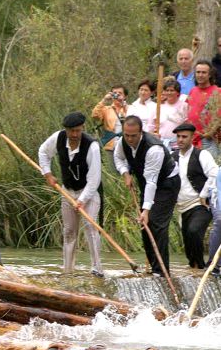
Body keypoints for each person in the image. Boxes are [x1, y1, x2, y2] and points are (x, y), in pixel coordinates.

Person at [38, 112, 103, 277]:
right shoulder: (58, 138)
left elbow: (94, 180)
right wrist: (47, 173)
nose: (74, 135)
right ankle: (68, 270)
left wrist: (81, 200)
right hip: (67, 191)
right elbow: (43, 152)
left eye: (78, 131)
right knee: (69, 231)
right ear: (65, 130)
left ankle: (97, 268)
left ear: (83, 128)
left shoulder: (92, 146)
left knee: (90, 227)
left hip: (89, 192)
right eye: (71, 131)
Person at [114, 116, 180, 276]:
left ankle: (162, 272)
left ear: (140, 132)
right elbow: (118, 158)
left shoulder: (153, 148)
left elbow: (152, 182)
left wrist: (146, 210)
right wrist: (125, 173)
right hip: (147, 183)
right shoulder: (122, 142)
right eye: (126, 135)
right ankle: (153, 267)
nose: (129, 139)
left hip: (166, 183)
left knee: (156, 223)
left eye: (133, 135)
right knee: (145, 226)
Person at [171, 123, 218, 269]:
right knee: (188, 244)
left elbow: (215, 174)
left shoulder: (202, 154)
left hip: (200, 204)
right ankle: (194, 268)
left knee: (194, 231)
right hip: (183, 207)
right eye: (178, 136)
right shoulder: (171, 157)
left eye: (184, 137)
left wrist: (204, 194)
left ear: (192, 137)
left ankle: (201, 267)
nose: (180, 140)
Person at [186, 60, 221, 158]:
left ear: (210, 75)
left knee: (211, 170)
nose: (200, 75)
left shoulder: (217, 92)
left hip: (209, 140)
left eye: (204, 72)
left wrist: (209, 133)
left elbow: (219, 117)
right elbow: (189, 113)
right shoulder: (193, 90)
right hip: (193, 138)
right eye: (198, 72)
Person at [146, 78, 189, 149]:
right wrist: (153, 135)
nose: (169, 93)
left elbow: (187, 125)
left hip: (178, 144)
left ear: (178, 92)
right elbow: (150, 127)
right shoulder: (158, 107)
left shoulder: (184, 106)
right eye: (167, 90)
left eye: (172, 90)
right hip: (160, 143)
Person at [92, 85, 129, 153]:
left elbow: (135, 120)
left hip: (127, 146)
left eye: (120, 93)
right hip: (110, 145)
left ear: (125, 96)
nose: (117, 95)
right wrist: (104, 100)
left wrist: (124, 106)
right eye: (115, 93)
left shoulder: (130, 109)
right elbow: (95, 115)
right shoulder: (106, 109)